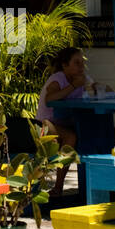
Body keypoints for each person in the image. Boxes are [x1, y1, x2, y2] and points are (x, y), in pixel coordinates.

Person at [37, 46, 89, 193]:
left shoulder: (80, 80)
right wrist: (73, 86)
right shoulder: (58, 79)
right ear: (65, 66)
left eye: (82, 63)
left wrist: (97, 87)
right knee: (70, 138)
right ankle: (58, 186)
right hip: (46, 124)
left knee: (105, 133)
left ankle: (101, 183)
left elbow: (91, 93)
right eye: (76, 63)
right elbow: (50, 99)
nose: (81, 66)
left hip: (67, 123)